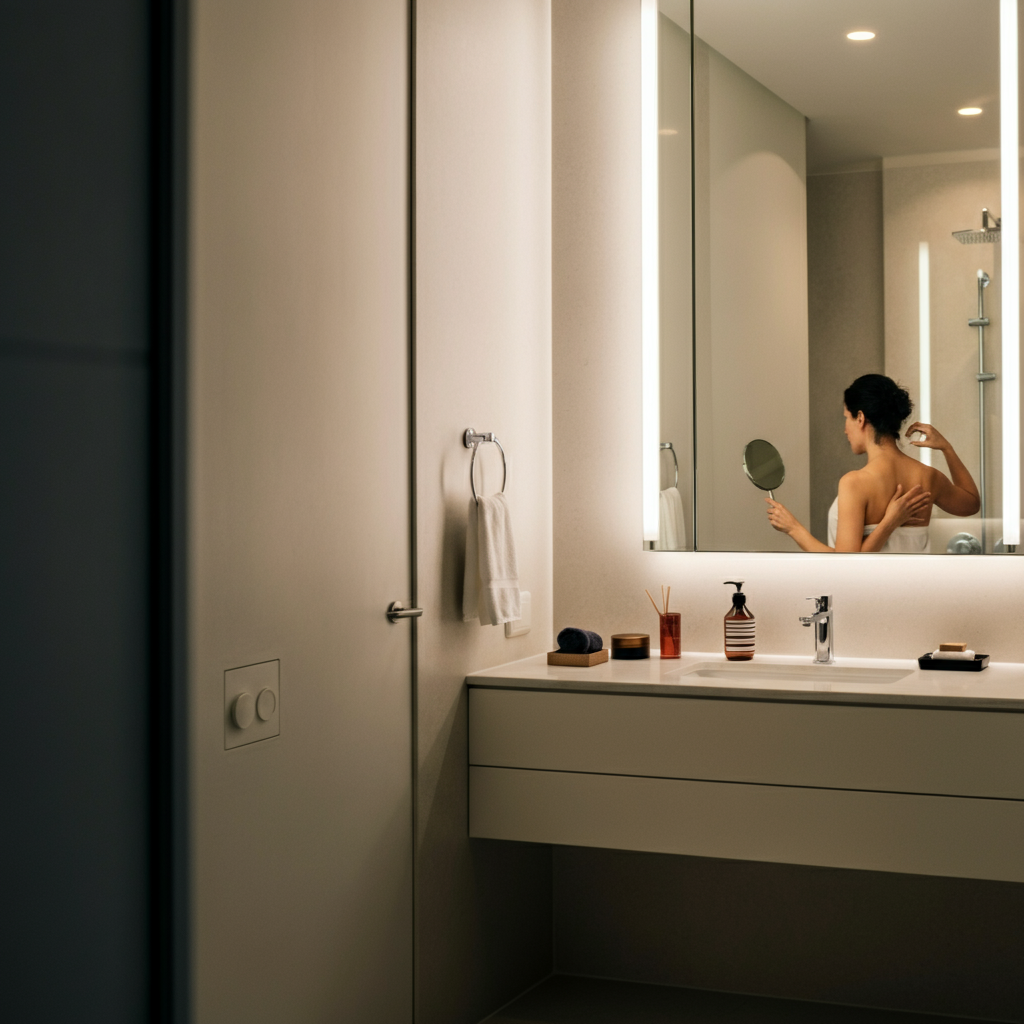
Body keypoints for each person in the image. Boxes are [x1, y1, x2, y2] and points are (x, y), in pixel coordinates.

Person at [766, 374, 980, 553]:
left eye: (846, 418)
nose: (845, 429)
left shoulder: (855, 483)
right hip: (917, 596)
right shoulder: (927, 477)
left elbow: (846, 567)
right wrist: (947, 449)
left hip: (867, 601)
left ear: (860, 418)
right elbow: (971, 503)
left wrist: (794, 529)